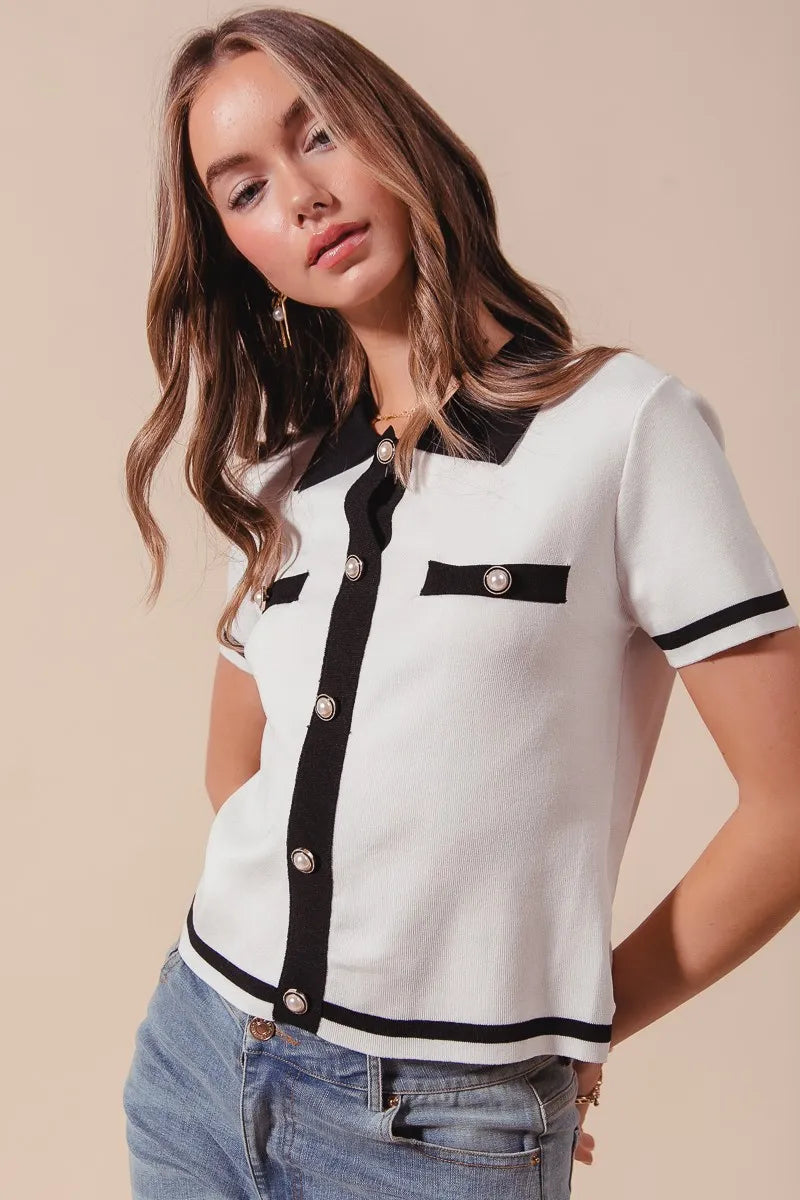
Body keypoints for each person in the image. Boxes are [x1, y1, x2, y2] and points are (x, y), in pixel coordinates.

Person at [121, 8, 800, 1199]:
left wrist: (570, 1032)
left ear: (397, 131)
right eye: (243, 190)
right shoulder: (282, 479)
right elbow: (243, 777)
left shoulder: (623, 430)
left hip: (440, 1134)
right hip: (195, 1063)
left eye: (319, 132)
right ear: (241, 250)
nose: (301, 196)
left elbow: (787, 806)